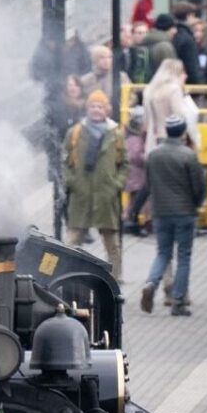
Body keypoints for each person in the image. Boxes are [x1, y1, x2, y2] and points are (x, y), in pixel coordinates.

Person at [141, 115, 206, 317]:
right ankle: (178, 301)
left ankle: (151, 282)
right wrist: (196, 204)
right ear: (183, 132)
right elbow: (199, 186)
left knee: (163, 253)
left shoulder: (153, 155)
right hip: (184, 212)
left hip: (161, 212)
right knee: (184, 256)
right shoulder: (188, 155)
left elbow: (149, 184)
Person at [64, 91, 128, 279]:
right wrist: (71, 181)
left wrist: (117, 183)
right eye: (93, 106)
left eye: (100, 106)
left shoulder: (115, 133)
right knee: (72, 240)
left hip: (106, 195)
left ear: (106, 109)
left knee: (112, 243)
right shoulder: (75, 132)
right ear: (87, 108)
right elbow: (65, 161)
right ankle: (66, 275)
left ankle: (116, 279)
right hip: (81, 194)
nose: (96, 110)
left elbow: (124, 163)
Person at [143, 59, 202, 156]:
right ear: (175, 73)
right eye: (182, 72)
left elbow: (146, 119)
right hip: (172, 140)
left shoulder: (150, 90)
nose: (185, 76)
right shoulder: (174, 89)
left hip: (153, 139)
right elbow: (180, 116)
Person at [122, 112, 149, 235]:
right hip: (135, 174)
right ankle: (130, 221)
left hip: (134, 174)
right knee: (135, 200)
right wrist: (148, 158)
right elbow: (135, 156)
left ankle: (129, 220)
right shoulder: (135, 139)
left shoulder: (132, 137)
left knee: (134, 199)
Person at [169, 2, 203, 85]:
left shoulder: (172, 34)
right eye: (193, 16)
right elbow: (192, 69)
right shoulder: (188, 39)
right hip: (185, 87)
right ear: (188, 16)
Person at [142, 14, 177, 81]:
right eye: (173, 27)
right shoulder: (165, 47)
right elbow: (171, 72)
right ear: (167, 28)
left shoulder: (144, 42)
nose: (175, 31)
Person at [190, 18, 207, 85]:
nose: (199, 34)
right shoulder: (187, 50)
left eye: (201, 31)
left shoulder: (206, 52)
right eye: (196, 30)